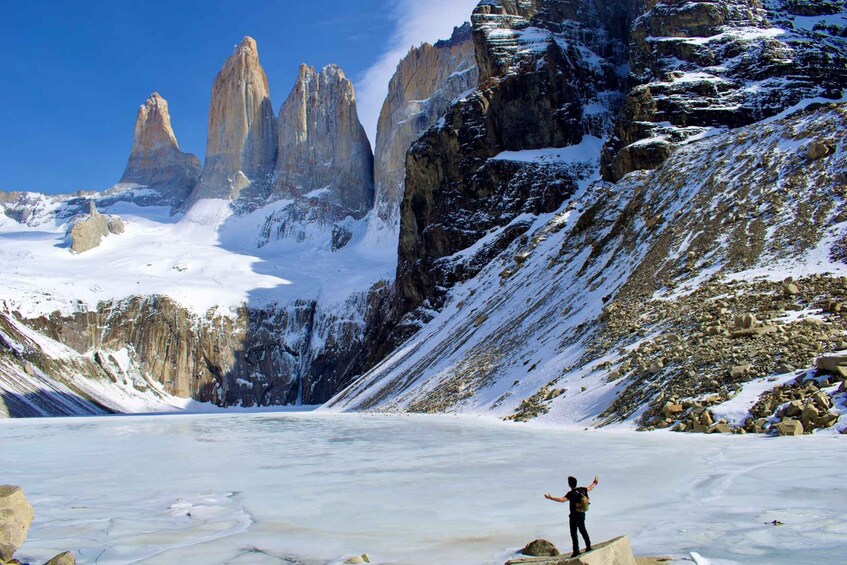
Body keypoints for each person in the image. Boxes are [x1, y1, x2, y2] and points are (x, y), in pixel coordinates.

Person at [544, 475, 599, 557]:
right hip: (582, 513)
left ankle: (576, 551)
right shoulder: (582, 489)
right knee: (583, 530)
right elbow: (590, 488)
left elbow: (562, 500)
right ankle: (588, 546)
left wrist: (551, 498)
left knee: (574, 533)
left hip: (574, 516)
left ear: (569, 485)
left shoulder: (571, 493)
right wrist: (595, 483)